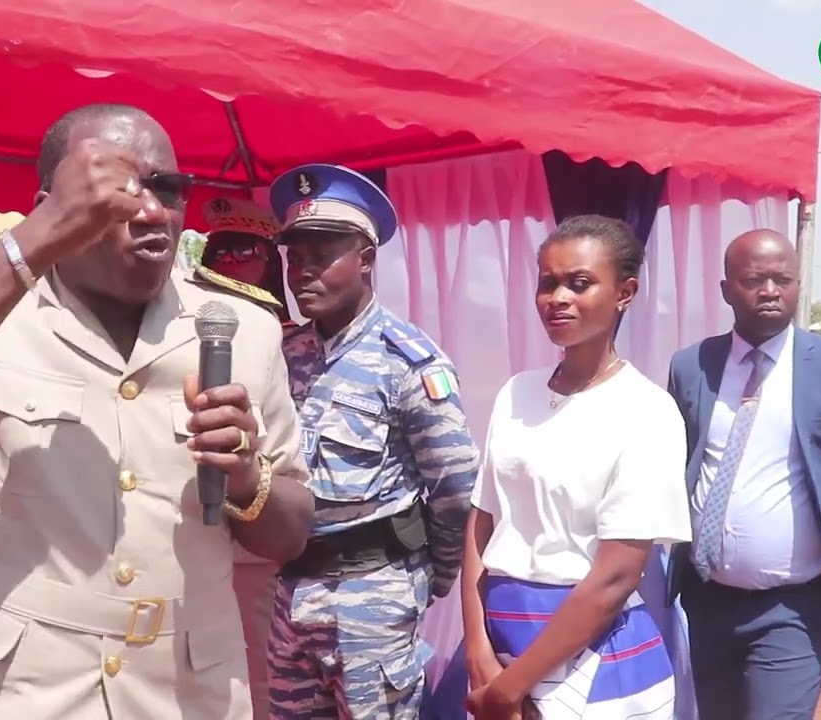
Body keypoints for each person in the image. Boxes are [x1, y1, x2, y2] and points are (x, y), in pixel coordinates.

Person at [0, 103, 315, 719]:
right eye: (113, 191)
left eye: (168, 189)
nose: (150, 211)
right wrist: (34, 241)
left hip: (186, 690)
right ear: (53, 203)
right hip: (14, 688)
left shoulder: (241, 330)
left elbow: (289, 533)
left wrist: (246, 478)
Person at [268, 163, 479, 718]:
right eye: (295, 257)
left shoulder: (406, 361)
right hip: (293, 593)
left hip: (373, 595)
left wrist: (433, 578)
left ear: (365, 259)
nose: (302, 272)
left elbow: (455, 489)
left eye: (322, 257)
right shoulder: (283, 353)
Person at [460, 215, 690, 719]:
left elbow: (616, 575)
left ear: (625, 293)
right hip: (496, 647)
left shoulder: (646, 411)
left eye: (579, 283)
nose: (558, 297)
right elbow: (482, 524)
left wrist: (510, 688)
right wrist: (478, 654)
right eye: (548, 282)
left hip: (593, 661)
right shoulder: (516, 392)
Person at [667, 229, 821, 719]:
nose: (770, 290)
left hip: (793, 606)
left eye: (782, 280)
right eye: (754, 279)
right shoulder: (692, 365)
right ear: (727, 289)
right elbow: (681, 461)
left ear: (797, 286)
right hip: (706, 600)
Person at [200, 194, 292, 718]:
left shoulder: (295, 343)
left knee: (256, 676)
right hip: (185, 533)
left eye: (246, 249)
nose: (231, 261)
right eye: (222, 247)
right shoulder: (181, 332)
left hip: (259, 545)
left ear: (270, 260)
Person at [202, 196, 292, 325]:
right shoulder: (195, 328)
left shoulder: (291, 338)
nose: (227, 259)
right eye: (218, 252)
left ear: (270, 262)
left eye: (243, 251)